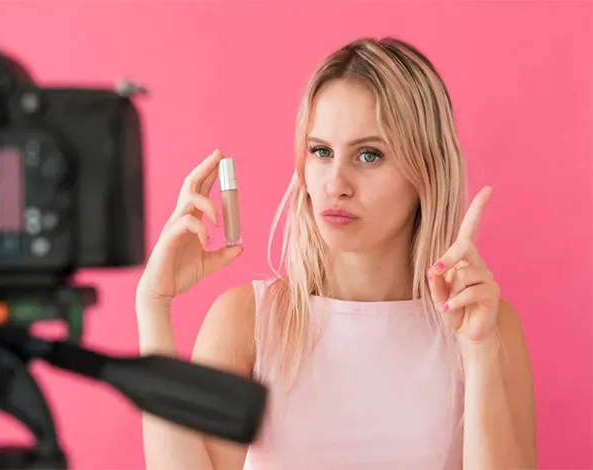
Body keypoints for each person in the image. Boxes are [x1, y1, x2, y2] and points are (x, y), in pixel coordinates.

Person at [135, 36, 537, 470]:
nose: (336, 184)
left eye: (369, 155)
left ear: (426, 170)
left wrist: (478, 353)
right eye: (321, 151)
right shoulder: (246, 321)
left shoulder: (487, 328)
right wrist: (152, 305)